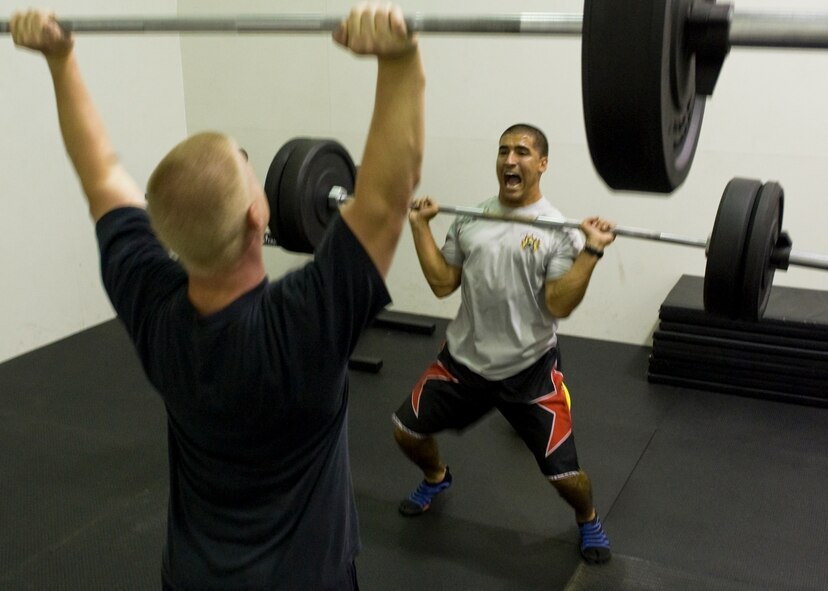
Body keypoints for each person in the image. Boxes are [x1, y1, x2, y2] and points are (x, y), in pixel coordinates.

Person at [11, 4, 424, 590]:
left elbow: (100, 172)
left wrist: (60, 59)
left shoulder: (152, 305)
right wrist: (401, 56)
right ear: (261, 213)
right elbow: (386, 198)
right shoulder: (301, 325)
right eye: (247, 167)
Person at [392, 123, 615, 564]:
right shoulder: (472, 218)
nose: (510, 160)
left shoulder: (557, 230)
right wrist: (419, 227)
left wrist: (591, 252)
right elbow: (441, 284)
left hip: (528, 371)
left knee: (565, 476)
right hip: (463, 363)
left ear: (543, 164)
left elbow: (558, 304)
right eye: (503, 151)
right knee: (406, 431)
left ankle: (587, 518)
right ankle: (436, 476)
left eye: (523, 152)